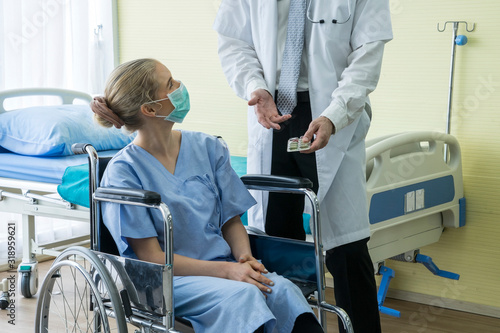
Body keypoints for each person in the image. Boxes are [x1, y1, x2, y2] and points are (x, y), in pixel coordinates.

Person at [90, 58, 324, 333]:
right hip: (166, 280)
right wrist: (228, 273)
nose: (180, 86)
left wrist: (244, 259)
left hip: (224, 267)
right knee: (244, 296)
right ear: (150, 108)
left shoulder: (207, 147)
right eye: (170, 84)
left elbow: (231, 220)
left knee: (281, 290)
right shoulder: (124, 172)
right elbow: (152, 257)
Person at [214, 1, 393, 332]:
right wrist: (256, 87)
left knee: (347, 246)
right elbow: (234, 41)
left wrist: (335, 115)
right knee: (278, 239)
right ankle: (293, 326)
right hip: (272, 111)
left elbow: (367, 55)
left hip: (334, 111)